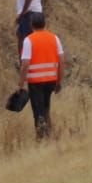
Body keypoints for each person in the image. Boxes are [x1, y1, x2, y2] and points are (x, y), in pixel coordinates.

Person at [19, 11, 64, 140]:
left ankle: (42, 138)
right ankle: (50, 134)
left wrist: (21, 83)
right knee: (45, 107)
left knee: (38, 111)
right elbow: (61, 61)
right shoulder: (54, 38)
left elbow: (25, 64)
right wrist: (59, 81)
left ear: (31, 24)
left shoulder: (29, 40)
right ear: (45, 24)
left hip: (36, 82)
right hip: (51, 80)